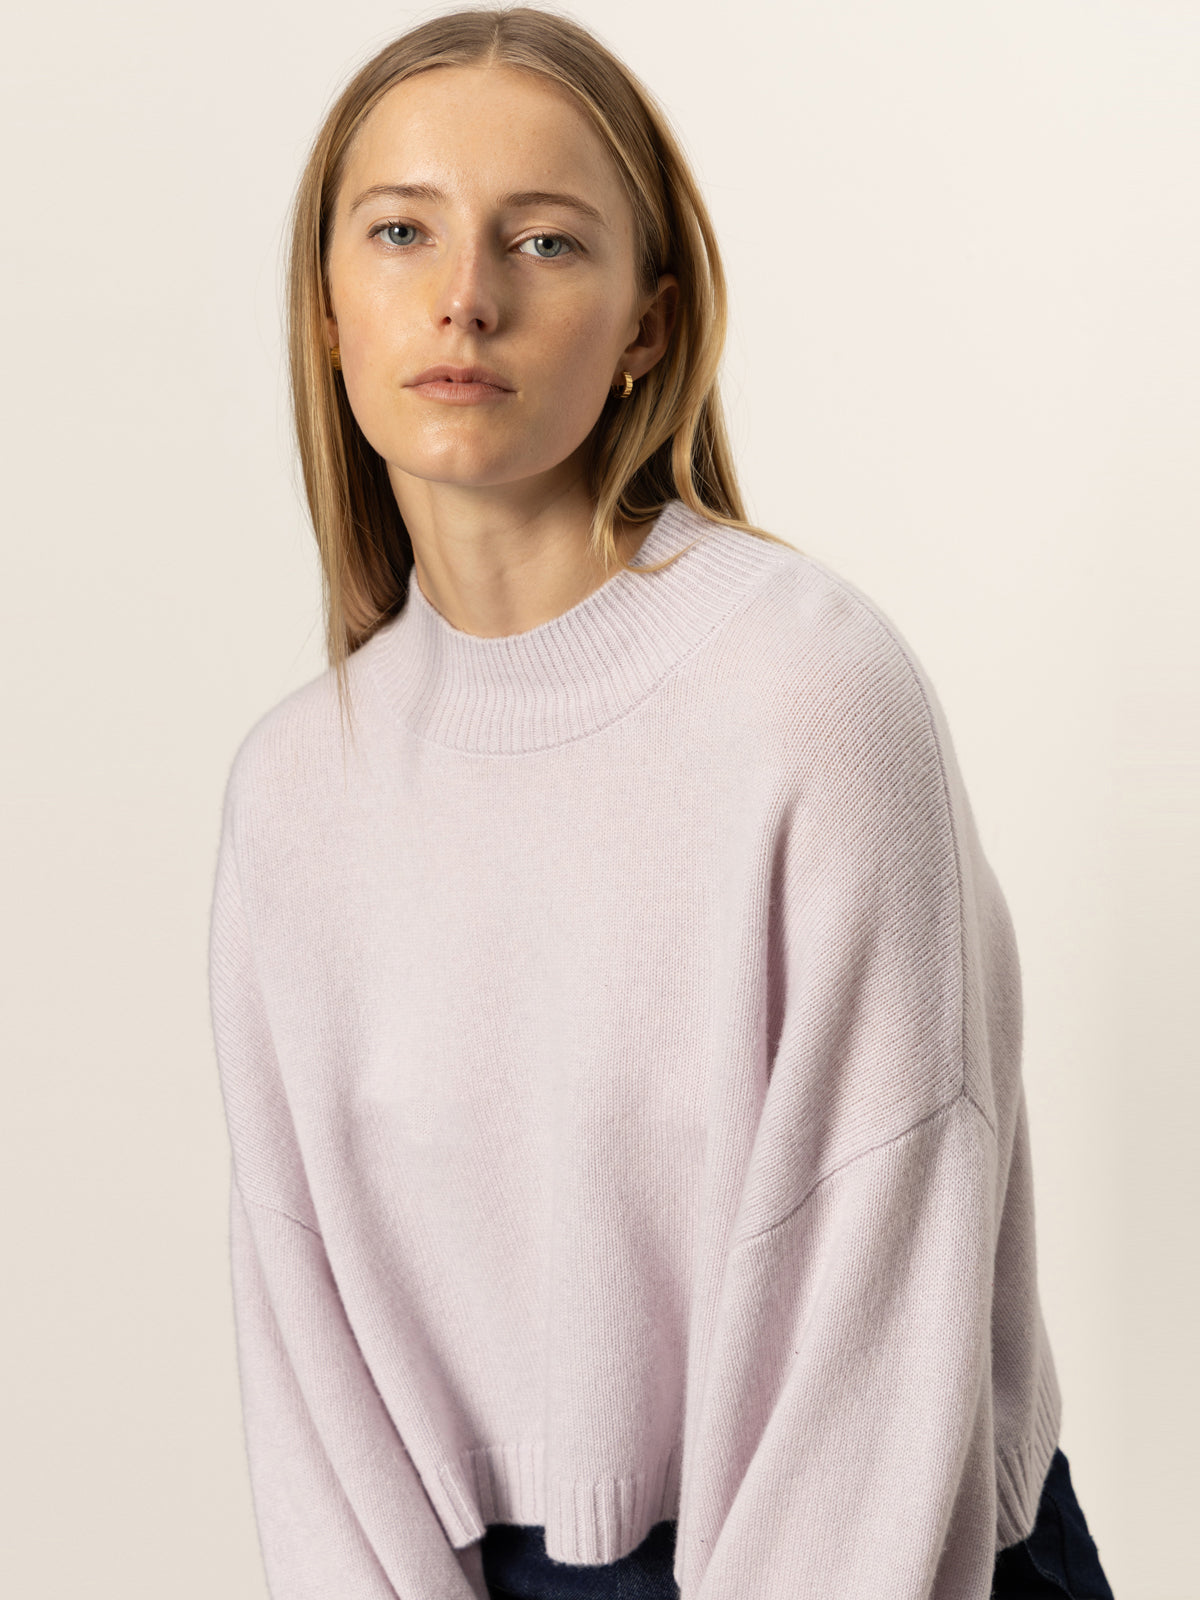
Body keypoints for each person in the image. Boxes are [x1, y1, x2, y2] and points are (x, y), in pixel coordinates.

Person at [206, 8, 1116, 1599]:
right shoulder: (296, 790)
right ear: (328, 308)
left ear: (647, 322)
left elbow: (875, 1319)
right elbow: (311, 1374)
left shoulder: (809, 695)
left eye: (544, 241)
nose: (464, 296)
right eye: (402, 231)